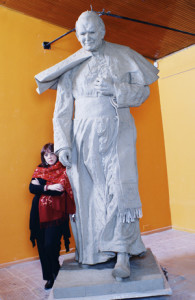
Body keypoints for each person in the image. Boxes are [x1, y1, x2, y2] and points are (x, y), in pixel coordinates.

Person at [35, 11, 159, 279]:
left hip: (117, 128)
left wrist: (116, 88)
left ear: (102, 31)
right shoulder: (72, 64)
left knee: (120, 189)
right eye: (81, 33)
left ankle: (122, 255)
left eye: (91, 32)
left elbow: (143, 92)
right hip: (82, 135)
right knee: (89, 194)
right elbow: (62, 109)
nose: (86, 38)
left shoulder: (123, 53)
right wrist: (63, 144)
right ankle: (94, 252)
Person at [29, 143, 75, 289]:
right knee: (42, 247)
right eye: (46, 154)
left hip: (56, 214)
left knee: (51, 245)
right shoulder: (40, 169)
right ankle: (49, 277)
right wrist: (49, 187)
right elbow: (31, 188)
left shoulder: (63, 170)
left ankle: (56, 270)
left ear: (57, 154)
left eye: (51, 153)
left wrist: (41, 187)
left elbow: (59, 190)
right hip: (38, 214)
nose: (49, 157)